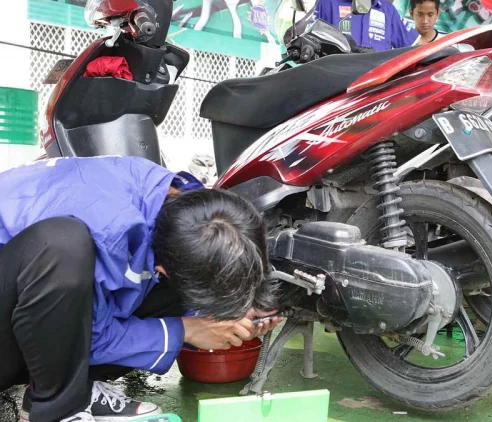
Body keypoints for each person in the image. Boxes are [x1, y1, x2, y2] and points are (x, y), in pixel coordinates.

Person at [0, 156, 282, 422]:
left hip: (26, 323)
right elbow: (75, 330)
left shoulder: (185, 208)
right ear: (163, 270)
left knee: (167, 290)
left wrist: (234, 312)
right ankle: (59, 409)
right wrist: (188, 329)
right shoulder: (104, 226)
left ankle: (72, 390)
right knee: (61, 248)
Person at [310, 0, 419, 51]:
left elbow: (414, 48)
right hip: (337, 85)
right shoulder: (327, 4)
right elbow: (309, 43)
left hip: (379, 86)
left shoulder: (388, 10)